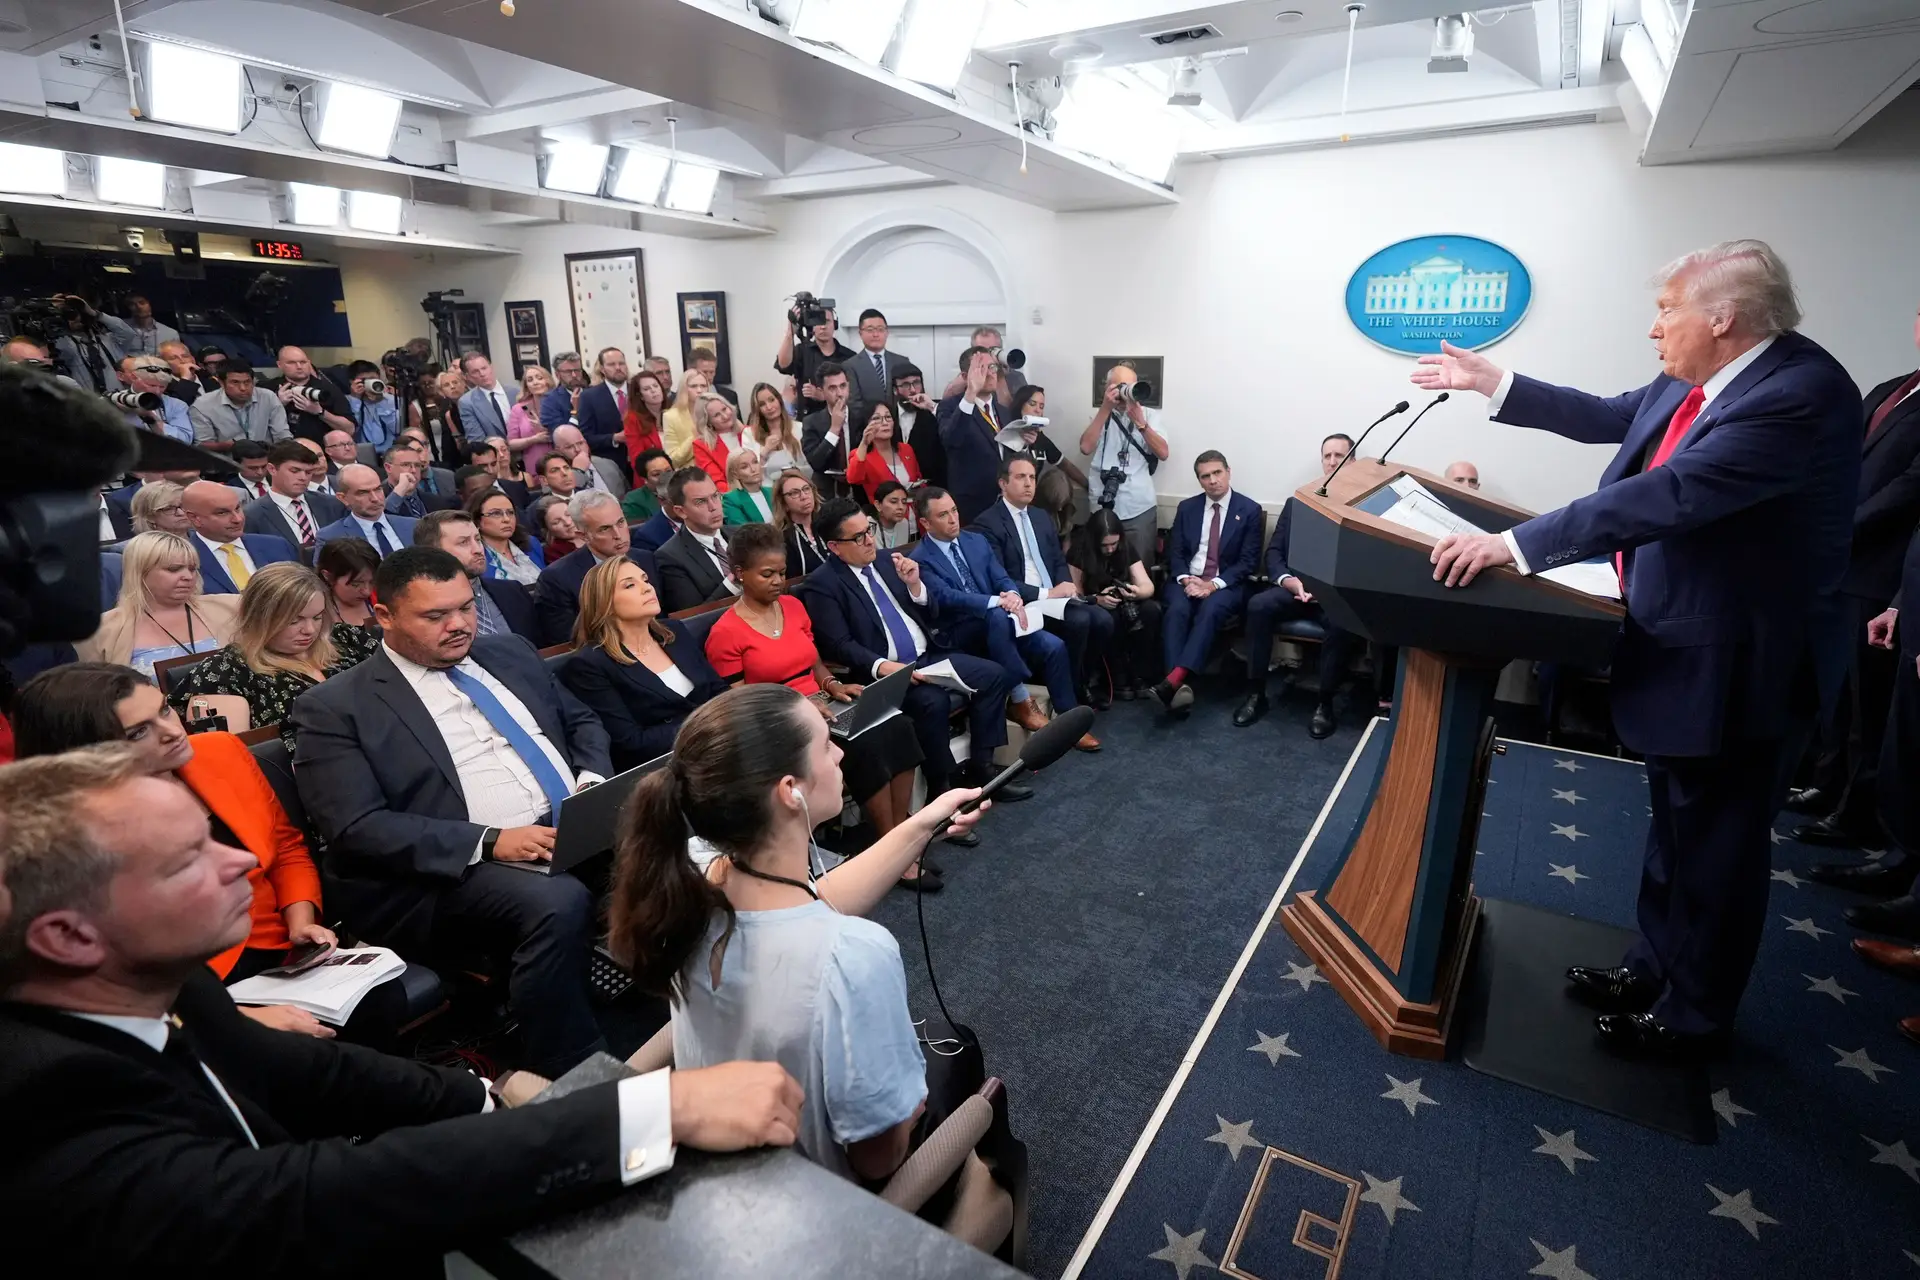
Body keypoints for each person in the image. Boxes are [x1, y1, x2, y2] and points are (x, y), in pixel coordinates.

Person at [0, 744, 804, 1273]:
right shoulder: (40, 1098)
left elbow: (293, 1065)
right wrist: (647, 1111)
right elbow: (311, 1197)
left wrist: (484, 1093)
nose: (242, 860)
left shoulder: (164, 979)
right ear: (68, 936)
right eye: (188, 860)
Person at [1419, 239, 1859, 1059]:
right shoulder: (1703, 377)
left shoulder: (1799, 395)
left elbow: (1674, 492)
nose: (1654, 328)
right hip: (1682, 638)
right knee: (1676, 827)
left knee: (1720, 845)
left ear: (1722, 319)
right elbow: (1616, 417)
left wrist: (1518, 546)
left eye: (1668, 310)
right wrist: (1495, 383)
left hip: (1743, 662)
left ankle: (1694, 1019)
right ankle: (1652, 968)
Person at [609, 684, 990, 1186]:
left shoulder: (690, 889)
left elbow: (809, 901)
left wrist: (922, 823)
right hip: (820, 1206)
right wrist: (909, 1106)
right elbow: (877, 1160)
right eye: (825, 743)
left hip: (717, 1170)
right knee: (958, 1058)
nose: (840, 752)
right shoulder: (854, 955)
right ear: (791, 790)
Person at [292, 548, 613, 1076]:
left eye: (464, 607)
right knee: (557, 901)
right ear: (384, 615)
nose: (459, 625)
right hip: (445, 873)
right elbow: (356, 828)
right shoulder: (337, 707)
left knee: (677, 831)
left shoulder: (508, 652)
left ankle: (689, 1008)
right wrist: (488, 840)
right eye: (435, 616)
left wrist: (591, 783)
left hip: (568, 823)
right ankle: (574, 1073)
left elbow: (581, 723)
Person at [10, 665, 364, 1038]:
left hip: (280, 947)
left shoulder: (220, 751)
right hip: (193, 986)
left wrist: (301, 920)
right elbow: (115, 980)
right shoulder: (74, 837)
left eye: (164, 709)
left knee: (371, 1003)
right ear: (85, 754)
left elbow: (286, 846)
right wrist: (235, 1019)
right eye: (139, 732)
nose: (174, 731)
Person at [707, 525, 933, 882]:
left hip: (825, 703)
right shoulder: (725, 632)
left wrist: (831, 683)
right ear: (739, 574)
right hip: (777, 721)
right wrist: (798, 704)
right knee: (866, 745)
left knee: (897, 724)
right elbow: (741, 702)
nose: (778, 581)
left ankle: (895, 835)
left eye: (781, 573)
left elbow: (813, 660)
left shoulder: (794, 607)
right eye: (767, 574)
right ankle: (892, 847)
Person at [1795, 302, 1920, 883]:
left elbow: (1908, 489)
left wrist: (1833, 531)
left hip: (1881, 567)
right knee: (1835, 692)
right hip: (1837, 566)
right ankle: (1826, 787)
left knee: (1869, 703)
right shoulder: (1894, 387)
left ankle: (1857, 813)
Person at [807, 497, 1024, 804]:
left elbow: (929, 608)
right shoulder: (823, 585)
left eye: (869, 529)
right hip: (886, 674)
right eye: (858, 537)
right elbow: (840, 645)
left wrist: (915, 586)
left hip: (929, 657)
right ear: (834, 546)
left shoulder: (885, 561)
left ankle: (983, 767)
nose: (870, 539)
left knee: (994, 675)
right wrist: (883, 667)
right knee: (931, 702)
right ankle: (941, 791)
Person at [911, 487, 1095, 750]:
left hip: (999, 624)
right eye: (943, 515)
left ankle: (1069, 721)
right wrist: (999, 601)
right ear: (926, 523)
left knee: (1053, 646)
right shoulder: (921, 559)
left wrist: (1011, 594)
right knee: (998, 616)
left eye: (954, 510)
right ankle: (1019, 695)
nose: (953, 519)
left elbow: (1000, 576)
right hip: (960, 631)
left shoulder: (975, 541)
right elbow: (948, 597)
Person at [168, 562, 380, 749]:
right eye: (294, 621)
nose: (309, 630)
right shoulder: (224, 674)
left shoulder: (345, 639)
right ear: (259, 617)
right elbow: (232, 761)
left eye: (316, 617)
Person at [1235, 438, 1361, 738]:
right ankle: (1256, 693)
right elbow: (1275, 553)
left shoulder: (1363, 505)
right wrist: (1290, 582)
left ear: (1353, 462)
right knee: (1258, 605)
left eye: (1339, 455)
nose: (1332, 461)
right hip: (1295, 588)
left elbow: (1361, 561)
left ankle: (1325, 703)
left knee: (1341, 623)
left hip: (1334, 594)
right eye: (1327, 455)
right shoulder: (1299, 502)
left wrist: (1328, 589)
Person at [560, 557, 728, 770]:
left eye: (645, 580)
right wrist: (709, 724)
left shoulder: (674, 632)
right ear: (605, 603)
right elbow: (630, 743)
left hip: (719, 746)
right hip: (667, 768)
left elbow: (719, 690)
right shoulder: (588, 664)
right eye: (630, 585)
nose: (647, 588)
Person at [972, 454, 1112, 705]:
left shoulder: (1040, 516)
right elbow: (1000, 577)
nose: (1028, 484)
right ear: (1003, 484)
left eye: (1032, 477)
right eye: (1020, 477)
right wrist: (1048, 594)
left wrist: (1065, 587)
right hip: (1023, 599)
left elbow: (1057, 560)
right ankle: (1072, 690)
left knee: (1103, 620)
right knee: (1080, 620)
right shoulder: (988, 523)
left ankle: (1081, 678)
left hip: (1054, 595)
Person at [1151, 451, 1265, 715]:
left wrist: (1213, 585)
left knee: (1210, 610)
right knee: (1177, 610)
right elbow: (1175, 553)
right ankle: (1176, 688)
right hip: (1187, 580)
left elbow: (1247, 562)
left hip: (1227, 584)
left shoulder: (1249, 510)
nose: (1213, 480)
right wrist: (1185, 578)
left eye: (1217, 473)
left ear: (1228, 472)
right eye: (1206, 476)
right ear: (1199, 481)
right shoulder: (1187, 508)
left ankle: (1175, 679)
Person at [75, 532, 240, 676]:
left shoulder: (231, 607)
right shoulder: (100, 629)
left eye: (192, 569)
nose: (188, 576)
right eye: (174, 569)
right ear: (140, 572)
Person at [533, 492, 661, 646]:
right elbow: (569, 642)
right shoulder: (557, 579)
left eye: (621, 522)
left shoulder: (646, 559)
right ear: (583, 536)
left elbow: (663, 619)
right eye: (604, 529)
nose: (618, 534)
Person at [1079, 362, 1169, 565]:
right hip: (1103, 505)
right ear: (1108, 388)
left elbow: (1163, 452)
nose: (1126, 393)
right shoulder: (1100, 416)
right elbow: (1085, 447)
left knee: (1140, 566)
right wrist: (1105, 408)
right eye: (1120, 386)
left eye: (1130, 386)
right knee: (1103, 566)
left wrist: (1141, 424)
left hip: (1138, 506)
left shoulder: (1149, 416)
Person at [1071, 506, 1161, 699]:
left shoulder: (1124, 547)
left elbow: (1147, 585)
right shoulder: (1079, 552)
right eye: (1105, 546)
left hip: (1125, 600)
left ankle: (1140, 673)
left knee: (1151, 611)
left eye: (1114, 544)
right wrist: (1097, 599)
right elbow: (1074, 594)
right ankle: (1116, 676)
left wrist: (1136, 593)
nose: (1110, 549)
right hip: (1095, 603)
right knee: (1110, 619)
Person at [416, 509, 541, 642]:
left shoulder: (511, 591)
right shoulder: (425, 610)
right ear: (433, 552)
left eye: (478, 539)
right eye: (463, 542)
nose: (477, 549)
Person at [182, 481, 298, 595]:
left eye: (237, 508)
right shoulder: (183, 559)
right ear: (195, 518)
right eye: (222, 513)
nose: (238, 519)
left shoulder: (277, 546)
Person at [936, 348, 1011, 524]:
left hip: (1005, 500)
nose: (991, 374)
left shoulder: (1004, 412)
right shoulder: (950, 407)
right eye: (982, 368)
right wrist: (971, 393)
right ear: (965, 376)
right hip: (972, 505)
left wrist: (1024, 443)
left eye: (993, 367)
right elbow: (951, 440)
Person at [654, 469, 741, 613]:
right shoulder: (670, 557)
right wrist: (734, 582)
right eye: (701, 502)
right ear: (681, 511)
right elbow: (694, 618)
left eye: (715, 496)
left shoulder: (741, 534)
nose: (714, 507)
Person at [243, 440, 346, 559]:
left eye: (308, 472)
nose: (303, 478)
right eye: (295, 471)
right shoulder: (252, 514)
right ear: (272, 469)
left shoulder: (331, 504)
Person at [775, 301, 856, 419]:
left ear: (835, 324)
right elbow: (783, 365)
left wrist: (824, 396)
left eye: (827, 321)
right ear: (811, 326)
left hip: (841, 419)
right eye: (818, 322)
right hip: (807, 421)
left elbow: (855, 394)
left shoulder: (849, 356)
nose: (823, 326)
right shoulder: (802, 351)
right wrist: (790, 332)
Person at [315, 462, 413, 556]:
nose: (375, 499)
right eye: (363, 493)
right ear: (343, 498)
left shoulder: (413, 526)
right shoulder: (330, 537)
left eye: (378, 489)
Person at [1005, 384, 1089, 492]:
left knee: (1058, 482)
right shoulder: (1007, 434)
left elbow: (1064, 464)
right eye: (1032, 404)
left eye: (1041, 407)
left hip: (1032, 496)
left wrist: (1089, 486)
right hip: (1010, 493)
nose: (1037, 410)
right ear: (1020, 405)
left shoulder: (1040, 438)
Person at [189, 364, 291, 453]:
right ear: (221, 383)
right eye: (235, 382)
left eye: (247, 382)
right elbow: (202, 446)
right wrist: (232, 446)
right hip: (227, 466)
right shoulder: (203, 405)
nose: (243, 388)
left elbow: (282, 434)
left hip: (267, 460)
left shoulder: (268, 397)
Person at [264, 346, 355, 445]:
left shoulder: (329, 389)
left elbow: (349, 429)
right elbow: (255, 427)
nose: (299, 366)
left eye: (303, 362)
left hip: (321, 451)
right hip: (282, 451)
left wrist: (320, 412)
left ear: (309, 363)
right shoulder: (268, 389)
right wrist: (278, 404)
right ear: (279, 365)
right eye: (291, 363)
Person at [47, 293, 137, 392]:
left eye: (75, 312)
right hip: (91, 403)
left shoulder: (110, 341)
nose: (74, 318)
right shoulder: (67, 346)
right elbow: (52, 346)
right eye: (67, 315)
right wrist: (53, 313)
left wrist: (94, 313)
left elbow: (128, 333)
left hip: (120, 399)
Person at [845, 399, 921, 503]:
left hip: (913, 511)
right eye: (876, 418)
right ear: (866, 424)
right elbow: (853, 478)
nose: (885, 423)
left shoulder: (906, 449)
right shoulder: (860, 454)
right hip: (883, 515)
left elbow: (919, 481)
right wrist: (864, 443)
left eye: (888, 417)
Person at [799, 363, 856, 500]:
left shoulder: (862, 416)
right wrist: (834, 428)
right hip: (827, 492)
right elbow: (816, 462)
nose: (839, 393)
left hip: (859, 489)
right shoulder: (811, 422)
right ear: (821, 391)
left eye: (843, 386)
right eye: (832, 388)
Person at [473, 486, 545, 585]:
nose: (506, 519)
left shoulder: (531, 543)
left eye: (510, 512)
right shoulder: (474, 555)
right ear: (477, 521)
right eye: (496, 513)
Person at [116, 355, 193, 444]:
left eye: (162, 387)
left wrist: (153, 420)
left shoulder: (176, 405)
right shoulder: (116, 400)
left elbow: (185, 440)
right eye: (151, 385)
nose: (157, 391)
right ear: (133, 377)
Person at [892, 363, 945, 491]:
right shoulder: (887, 415)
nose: (913, 390)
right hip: (895, 490)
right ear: (895, 390)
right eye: (905, 385)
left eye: (916, 383)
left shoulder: (935, 412)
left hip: (931, 488)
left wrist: (931, 407)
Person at [744, 380, 807, 485]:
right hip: (766, 489)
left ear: (779, 400)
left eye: (772, 400)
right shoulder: (749, 433)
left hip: (797, 485)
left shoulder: (799, 428)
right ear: (757, 409)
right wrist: (765, 451)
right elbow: (749, 470)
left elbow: (807, 464)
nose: (769, 407)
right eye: (762, 404)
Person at [316, 536, 380, 631]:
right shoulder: (316, 612)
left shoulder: (383, 598)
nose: (367, 591)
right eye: (356, 584)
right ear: (328, 576)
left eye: (372, 582)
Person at [344, 360, 408, 455]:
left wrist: (381, 402)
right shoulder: (346, 401)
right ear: (352, 381)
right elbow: (352, 431)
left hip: (392, 453)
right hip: (361, 454)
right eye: (364, 380)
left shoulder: (392, 400)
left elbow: (398, 429)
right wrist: (356, 400)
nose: (370, 383)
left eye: (373, 379)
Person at [691, 393, 751, 492]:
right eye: (716, 415)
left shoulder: (749, 432)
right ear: (708, 422)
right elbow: (717, 483)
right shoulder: (702, 445)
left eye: (724, 409)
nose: (725, 416)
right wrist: (745, 491)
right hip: (734, 496)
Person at [844, 309, 901, 412]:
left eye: (880, 329)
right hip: (868, 424)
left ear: (887, 332)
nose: (876, 334)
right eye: (870, 330)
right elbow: (854, 404)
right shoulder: (850, 366)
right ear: (860, 333)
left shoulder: (902, 362)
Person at [776, 471, 831, 578]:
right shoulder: (782, 539)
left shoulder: (828, 525)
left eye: (806, 489)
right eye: (794, 493)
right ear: (783, 503)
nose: (804, 496)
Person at [455, 352, 518, 444]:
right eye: (475, 371)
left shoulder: (516, 392)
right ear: (467, 377)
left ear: (491, 367)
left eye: (484, 368)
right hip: (495, 454)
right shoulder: (467, 402)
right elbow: (476, 439)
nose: (482, 374)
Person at [506, 364, 556, 476]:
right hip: (534, 467)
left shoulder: (559, 403)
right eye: (530, 380)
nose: (535, 382)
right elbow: (511, 443)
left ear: (548, 380)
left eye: (540, 378)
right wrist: (534, 439)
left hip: (560, 461)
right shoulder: (518, 409)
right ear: (526, 386)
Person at [556, 423, 628, 496]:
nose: (577, 449)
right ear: (558, 451)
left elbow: (627, 495)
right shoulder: (555, 478)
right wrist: (578, 472)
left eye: (580, 443)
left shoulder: (609, 464)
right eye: (569, 447)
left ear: (586, 442)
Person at [662, 367, 712, 467]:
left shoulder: (713, 411)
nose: (699, 390)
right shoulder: (671, 416)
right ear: (684, 388)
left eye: (703, 386)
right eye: (693, 386)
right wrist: (694, 438)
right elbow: (672, 460)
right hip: (690, 474)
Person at [623, 368, 669, 468]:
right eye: (647, 389)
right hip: (651, 476)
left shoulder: (672, 412)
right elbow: (637, 460)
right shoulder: (633, 420)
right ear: (640, 396)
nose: (653, 390)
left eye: (656, 386)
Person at [621, 447, 676, 526]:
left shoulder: (686, 490)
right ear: (644, 479)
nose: (665, 477)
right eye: (657, 474)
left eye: (668, 471)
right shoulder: (633, 502)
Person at [722, 449, 777, 525]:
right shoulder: (731, 500)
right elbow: (743, 531)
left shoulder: (772, 491)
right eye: (744, 467)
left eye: (755, 462)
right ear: (735, 474)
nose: (753, 469)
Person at [531, 492, 582, 563]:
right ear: (547, 529)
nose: (568, 522)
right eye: (556, 522)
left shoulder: (593, 532)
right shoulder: (553, 554)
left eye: (568, 514)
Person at [872, 480, 914, 550]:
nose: (901, 507)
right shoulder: (868, 526)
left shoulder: (904, 523)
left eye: (904, 502)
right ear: (878, 505)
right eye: (893, 502)